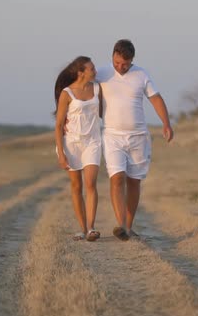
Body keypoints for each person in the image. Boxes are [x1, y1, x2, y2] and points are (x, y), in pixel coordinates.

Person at [96, 39, 174, 241]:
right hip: (112, 135)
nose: (120, 67)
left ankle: (128, 227)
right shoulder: (101, 73)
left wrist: (166, 123)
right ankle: (121, 224)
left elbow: (155, 98)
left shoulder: (141, 74)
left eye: (125, 64)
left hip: (139, 137)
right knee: (117, 177)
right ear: (112, 55)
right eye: (117, 63)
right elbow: (82, 93)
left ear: (132, 60)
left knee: (134, 181)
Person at [54, 56, 103, 242]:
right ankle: (82, 229)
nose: (95, 71)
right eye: (92, 69)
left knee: (91, 184)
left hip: (92, 141)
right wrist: (61, 153)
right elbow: (58, 125)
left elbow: (105, 111)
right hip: (71, 143)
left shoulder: (97, 88)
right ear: (81, 72)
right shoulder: (67, 93)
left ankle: (91, 228)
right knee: (76, 186)